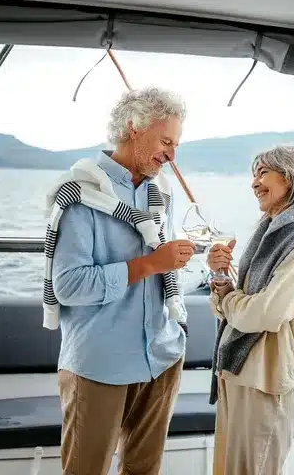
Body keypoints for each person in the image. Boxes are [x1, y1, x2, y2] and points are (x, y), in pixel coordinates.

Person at [46, 87, 196, 475]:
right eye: (166, 141)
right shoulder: (79, 194)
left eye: (176, 144)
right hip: (100, 363)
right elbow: (69, 286)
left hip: (161, 356)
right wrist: (150, 264)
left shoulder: (159, 193)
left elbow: (162, 264)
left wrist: (174, 260)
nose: (171, 155)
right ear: (133, 127)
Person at [207, 144, 294, 474]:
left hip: (267, 383)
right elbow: (244, 302)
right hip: (244, 373)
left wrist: (226, 299)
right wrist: (222, 279)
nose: (254, 182)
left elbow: (264, 313)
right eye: (254, 174)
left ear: (291, 178)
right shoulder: (274, 230)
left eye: (264, 173)